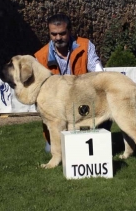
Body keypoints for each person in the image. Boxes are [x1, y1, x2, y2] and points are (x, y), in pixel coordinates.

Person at [34, 14, 112, 152]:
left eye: (62, 33)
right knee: (50, 150)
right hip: (59, 109)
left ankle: (98, 139)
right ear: (49, 33)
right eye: (54, 34)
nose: (58, 38)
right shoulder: (40, 57)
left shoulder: (85, 45)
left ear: (70, 31)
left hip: (85, 102)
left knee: (106, 107)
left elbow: (99, 72)